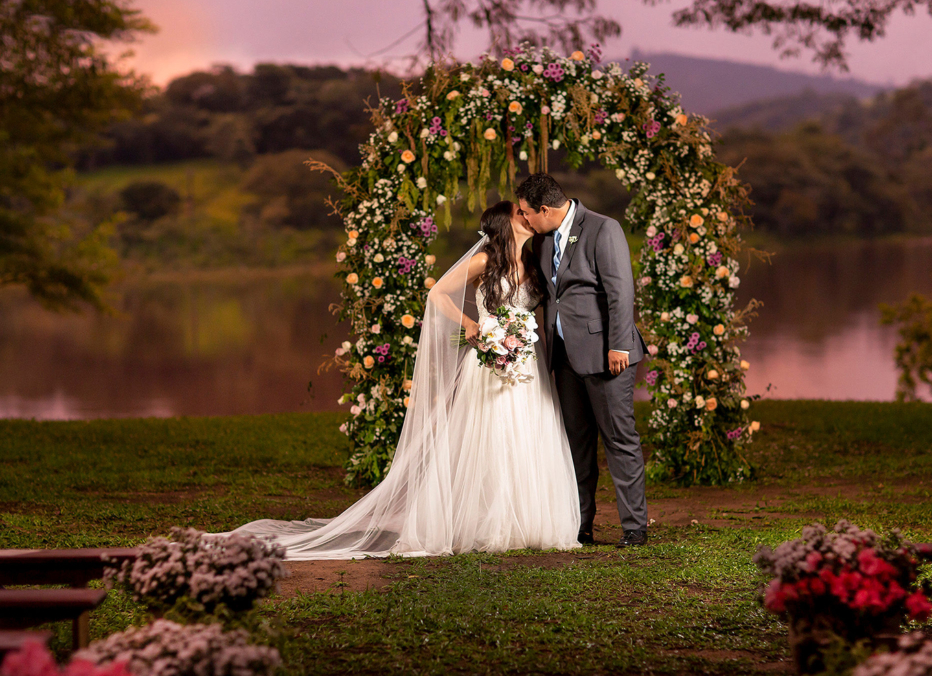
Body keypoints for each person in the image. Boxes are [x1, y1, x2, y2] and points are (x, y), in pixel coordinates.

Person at [221, 200, 581, 559]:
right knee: (493, 436)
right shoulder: (485, 261)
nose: (528, 218)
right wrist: (473, 324)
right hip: (487, 364)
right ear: (504, 223)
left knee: (528, 434)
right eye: (520, 214)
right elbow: (437, 292)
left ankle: (529, 518)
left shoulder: (534, 261)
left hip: (527, 364)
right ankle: (490, 522)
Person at [515, 173, 649, 548]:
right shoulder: (542, 242)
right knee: (575, 444)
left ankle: (634, 528)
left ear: (544, 209)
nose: (525, 221)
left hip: (608, 355)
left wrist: (619, 345)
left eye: (527, 214)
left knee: (619, 439)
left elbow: (621, 291)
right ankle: (579, 525)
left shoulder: (604, 229)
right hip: (564, 357)